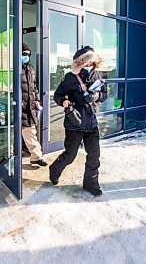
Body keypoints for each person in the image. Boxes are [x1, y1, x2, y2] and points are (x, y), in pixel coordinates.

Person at [49, 46, 108, 196]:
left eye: (90, 62)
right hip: (75, 123)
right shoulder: (70, 78)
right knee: (70, 155)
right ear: (79, 64)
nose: (88, 66)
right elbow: (57, 95)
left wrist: (96, 97)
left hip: (92, 123)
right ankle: (54, 169)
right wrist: (63, 101)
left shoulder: (98, 76)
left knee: (94, 156)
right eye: (84, 63)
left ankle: (91, 184)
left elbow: (104, 94)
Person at [21, 43, 47, 167]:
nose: (26, 56)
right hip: (17, 106)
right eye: (24, 54)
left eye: (28, 54)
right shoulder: (13, 67)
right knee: (26, 131)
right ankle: (34, 156)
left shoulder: (30, 69)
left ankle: (36, 156)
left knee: (30, 131)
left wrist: (36, 99)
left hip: (29, 106)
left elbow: (34, 87)